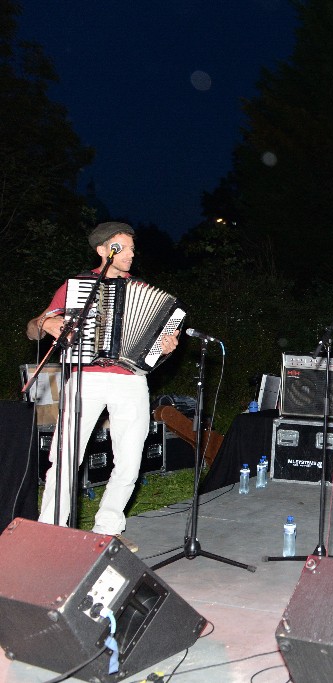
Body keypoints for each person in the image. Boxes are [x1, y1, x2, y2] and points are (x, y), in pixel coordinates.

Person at [28, 222, 180, 552]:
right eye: (122, 248)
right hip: (87, 377)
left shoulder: (141, 289)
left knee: (129, 459)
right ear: (102, 250)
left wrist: (165, 346)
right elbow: (33, 329)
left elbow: (153, 349)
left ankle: (107, 528)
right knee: (66, 455)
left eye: (132, 248)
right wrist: (47, 323)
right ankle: (50, 530)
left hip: (131, 381)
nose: (131, 254)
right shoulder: (75, 287)